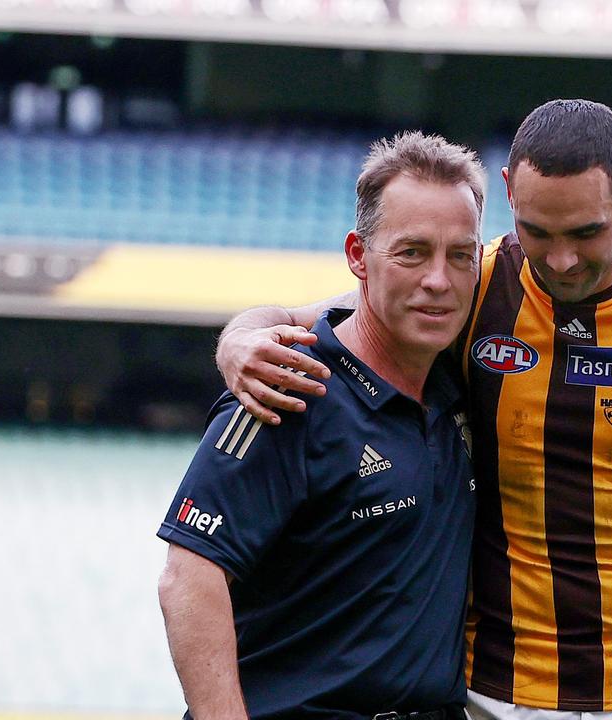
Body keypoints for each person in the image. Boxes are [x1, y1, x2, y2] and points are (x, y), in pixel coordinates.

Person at [217, 100, 612, 718]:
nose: (560, 259)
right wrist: (240, 339)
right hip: (494, 695)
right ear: (507, 194)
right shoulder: (473, 287)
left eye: (588, 232)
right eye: (537, 230)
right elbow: (305, 321)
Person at [156, 131, 486, 720]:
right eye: (411, 252)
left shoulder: (461, 378)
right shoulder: (289, 387)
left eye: (460, 254)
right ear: (359, 256)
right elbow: (189, 578)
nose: (439, 278)